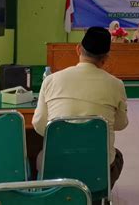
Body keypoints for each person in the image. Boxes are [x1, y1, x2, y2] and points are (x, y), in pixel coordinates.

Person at [32, 27, 128, 190]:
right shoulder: (116, 84)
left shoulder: (51, 80)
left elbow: (40, 126)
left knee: (40, 154)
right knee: (116, 156)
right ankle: (99, 194)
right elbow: (120, 124)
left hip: (57, 166)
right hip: (98, 167)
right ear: (106, 58)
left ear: (78, 49)